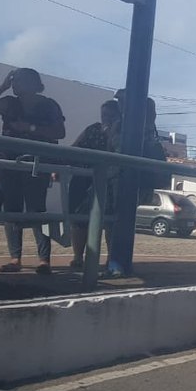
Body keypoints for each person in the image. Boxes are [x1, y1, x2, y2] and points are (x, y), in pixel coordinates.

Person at [0, 68, 66, 274]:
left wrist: (30, 128)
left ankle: (44, 260)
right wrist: (2, 86)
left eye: (18, 80)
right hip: (8, 162)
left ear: (33, 83)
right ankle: (14, 258)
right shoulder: (11, 103)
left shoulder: (49, 105)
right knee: (11, 209)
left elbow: (59, 132)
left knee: (37, 210)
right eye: (13, 80)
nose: (15, 84)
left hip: (37, 162)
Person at [66, 100, 121, 270]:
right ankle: (78, 257)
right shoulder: (92, 129)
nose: (106, 119)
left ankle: (111, 258)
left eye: (111, 115)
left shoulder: (122, 133)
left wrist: (111, 134)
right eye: (104, 115)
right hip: (83, 177)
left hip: (109, 179)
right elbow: (74, 148)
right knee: (79, 218)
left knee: (110, 221)